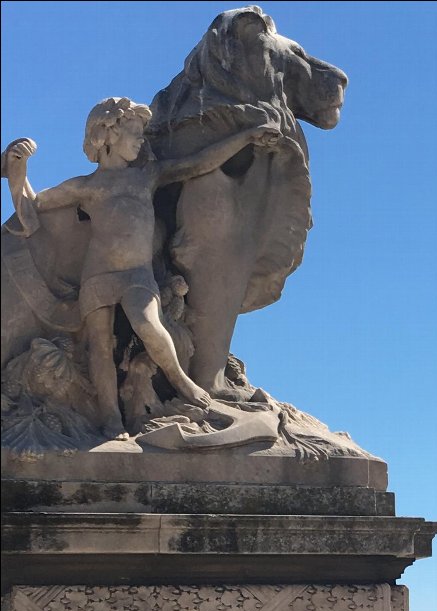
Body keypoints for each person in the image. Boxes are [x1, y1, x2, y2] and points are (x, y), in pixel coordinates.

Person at [3, 98, 281, 437]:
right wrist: (17, 170)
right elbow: (32, 207)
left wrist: (247, 137)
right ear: (107, 136)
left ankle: (181, 380)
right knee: (100, 346)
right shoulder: (88, 186)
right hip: (97, 277)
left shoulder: (147, 177)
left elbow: (196, 164)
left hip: (137, 275)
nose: (140, 141)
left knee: (149, 325)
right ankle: (110, 418)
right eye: (134, 133)